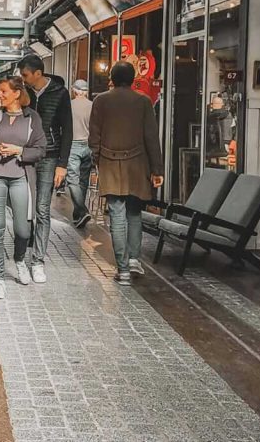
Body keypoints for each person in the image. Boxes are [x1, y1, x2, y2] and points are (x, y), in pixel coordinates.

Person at [88, 61, 164, 285]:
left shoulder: (101, 101)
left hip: (110, 164)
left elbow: (95, 136)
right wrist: (156, 169)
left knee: (117, 215)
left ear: (111, 77)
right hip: (138, 164)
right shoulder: (143, 101)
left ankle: (122, 270)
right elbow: (151, 137)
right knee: (134, 212)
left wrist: (96, 160)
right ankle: (133, 259)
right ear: (132, 79)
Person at [0, 77, 47, 301]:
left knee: (23, 229)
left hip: (21, 176)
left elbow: (41, 149)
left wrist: (19, 151)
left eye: (4, 92)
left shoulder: (31, 117)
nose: (0, 95)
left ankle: (20, 259)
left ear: (17, 93)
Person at [18, 55, 72, 283]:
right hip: (26, 156)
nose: (23, 79)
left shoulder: (59, 93)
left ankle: (38, 261)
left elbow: (67, 129)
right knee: (23, 206)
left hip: (49, 157)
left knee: (42, 209)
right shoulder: (24, 93)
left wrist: (62, 164)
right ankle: (22, 254)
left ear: (38, 73)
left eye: (25, 75)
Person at [67, 79, 93, 228]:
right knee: (83, 181)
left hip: (73, 145)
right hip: (88, 145)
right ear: (86, 91)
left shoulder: (69, 106)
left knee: (72, 180)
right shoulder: (93, 106)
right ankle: (78, 215)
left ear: (74, 90)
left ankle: (82, 211)